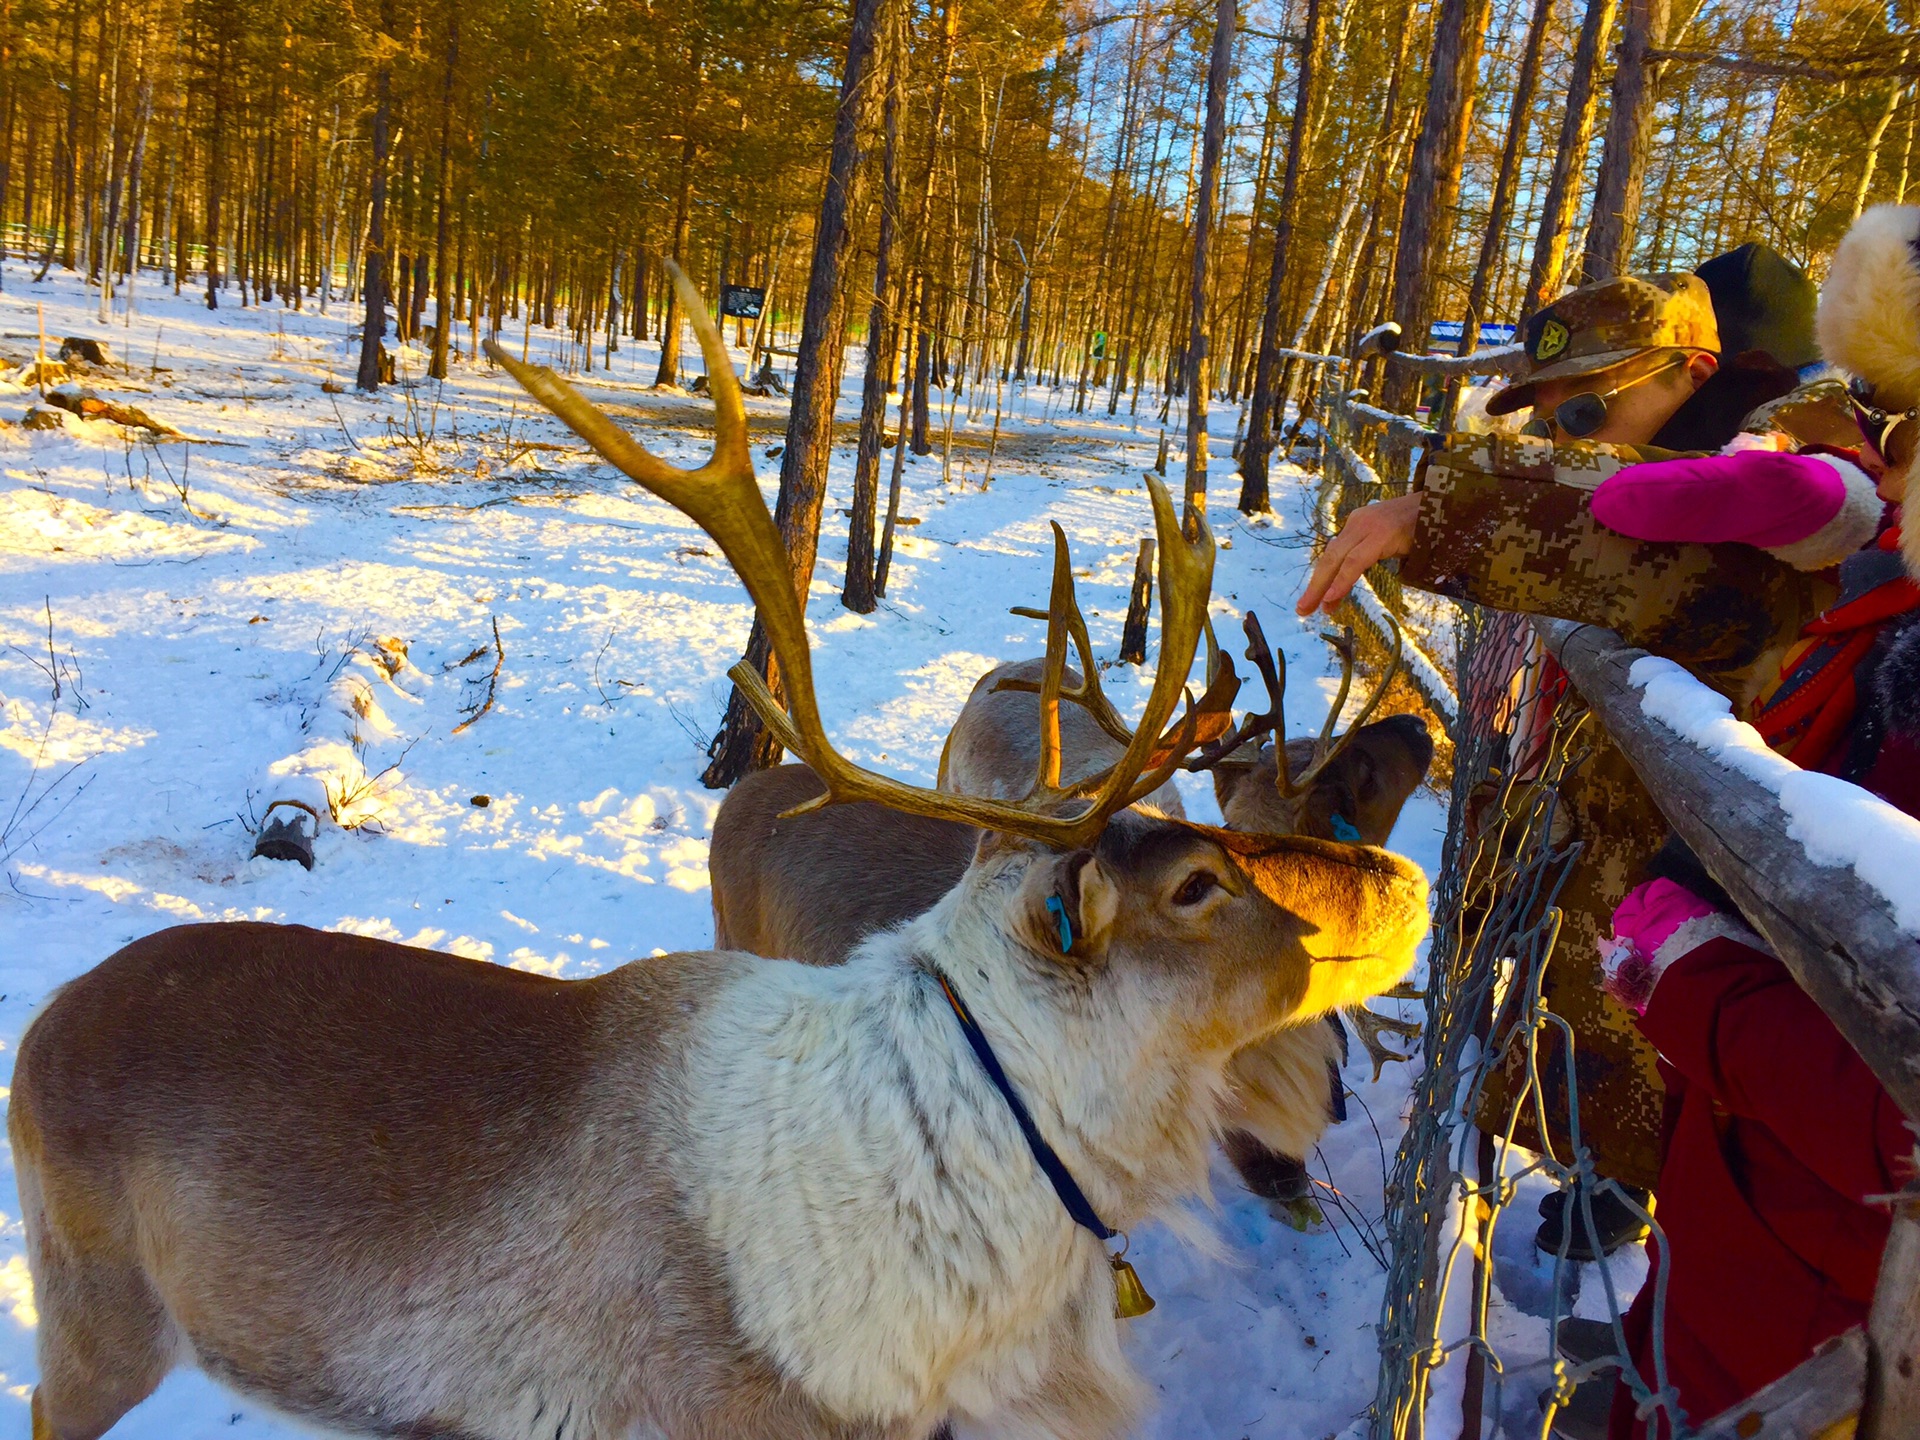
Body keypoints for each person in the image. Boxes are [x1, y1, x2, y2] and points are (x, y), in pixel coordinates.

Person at [1302, 270, 1842, 1262]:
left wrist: (1434, 509)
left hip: (1730, 942)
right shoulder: (1674, 470)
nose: (1577, 436)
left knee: (1700, 1122)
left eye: (1592, 405)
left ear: (1697, 372)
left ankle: (1640, 1225)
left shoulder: (1775, 495)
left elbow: (1627, 537)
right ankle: (1608, 1180)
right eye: (1551, 417)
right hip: (1627, 898)